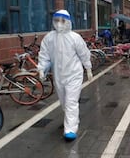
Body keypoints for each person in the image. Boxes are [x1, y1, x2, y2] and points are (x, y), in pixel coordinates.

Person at [37, 9, 93, 141]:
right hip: (58, 75)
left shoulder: (75, 38)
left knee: (70, 102)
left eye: (62, 21)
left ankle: (70, 129)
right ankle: (72, 119)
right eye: (56, 20)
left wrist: (88, 68)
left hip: (74, 74)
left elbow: (84, 54)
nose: (59, 23)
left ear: (68, 22)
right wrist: (42, 68)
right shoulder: (49, 38)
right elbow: (44, 55)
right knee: (63, 102)